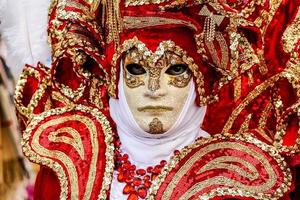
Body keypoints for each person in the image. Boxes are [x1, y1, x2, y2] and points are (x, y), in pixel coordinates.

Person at [13, 0, 300, 199]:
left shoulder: (242, 175)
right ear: (114, 78)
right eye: (136, 69)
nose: (154, 88)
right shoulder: (72, 160)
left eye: (176, 70)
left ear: (202, 81)